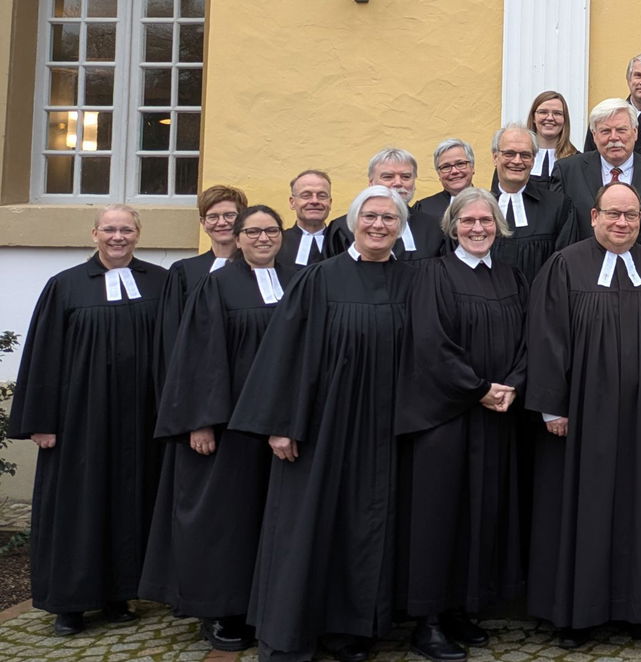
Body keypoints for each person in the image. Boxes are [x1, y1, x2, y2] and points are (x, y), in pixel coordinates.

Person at [231, 186, 418, 662]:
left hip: (385, 430)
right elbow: (287, 354)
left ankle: (353, 631)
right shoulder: (320, 279)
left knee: (367, 527)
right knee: (308, 525)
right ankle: (291, 632)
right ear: (354, 222)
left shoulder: (413, 280)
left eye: (389, 219)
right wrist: (282, 424)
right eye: (371, 217)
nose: (379, 226)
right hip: (322, 428)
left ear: (401, 227)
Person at [524, 182, 641, 649]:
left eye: (631, 215)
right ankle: (576, 615)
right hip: (584, 417)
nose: (622, 223)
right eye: (613, 214)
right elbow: (547, 340)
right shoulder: (564, 266)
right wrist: (552, 406)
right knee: (586, 507)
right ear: (593, 216)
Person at [9, 205, 167, 636]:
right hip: (81, 420)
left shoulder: (160, 281)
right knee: (77, 507)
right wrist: (42, 421)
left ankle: (119, 595)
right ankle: (70, 603)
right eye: (110, 229)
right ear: (94, 233)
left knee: (128, 503)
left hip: (140, 420)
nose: (119, 237)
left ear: (138, 235)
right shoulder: (64, 286)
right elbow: (43, 357)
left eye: (127, 230)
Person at [142, 205, 292, 652]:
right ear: (238, 238)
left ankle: (272, 606)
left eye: (270, 231)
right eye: (253, 232)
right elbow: (199, 356)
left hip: (282, 426)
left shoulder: (301, 280)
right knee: (227, 520)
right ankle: (223, 610)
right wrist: (201, 421)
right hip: (230, 428)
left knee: (273, 519)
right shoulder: (216, 284)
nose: (263, 239)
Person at [394, 187, 525, 661]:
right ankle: (427, 619)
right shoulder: (432, 275)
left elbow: (530, 337)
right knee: (438, 516)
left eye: (486, 222)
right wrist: (479, 388)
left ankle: (462, 609)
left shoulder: (510, 276)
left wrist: (513, 382)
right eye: (468, 222)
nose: (477, 229)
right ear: (452, 227)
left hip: (496, 420)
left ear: (499, 227)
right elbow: (432, 344)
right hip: (444, 419)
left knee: (481, 511)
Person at [551, 98, 641, 254]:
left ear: (635, 133)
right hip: (582, 269)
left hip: (640, 270)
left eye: (621, 130)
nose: (614, 137)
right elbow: (557, 233)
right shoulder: (567, 171)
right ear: (594, 135)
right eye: (605, 131)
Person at [160, 185, 250, 367]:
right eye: (213, 217)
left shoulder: (255, 269)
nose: (221, 222)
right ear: (203, 223)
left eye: (229, 215)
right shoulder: (183, 271)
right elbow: (172, 332)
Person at [489, 122, 579, 281]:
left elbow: (565, 266)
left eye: (525, 155)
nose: (517, 161)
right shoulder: (478, 209)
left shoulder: (558, 207)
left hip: (540, 302)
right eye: (509, 153)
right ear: (495, 157)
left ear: (533, 160)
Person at [325, 148, 449, 261]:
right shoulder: (343, 228)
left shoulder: (434, 227)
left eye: (406, 177)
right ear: (371, 183)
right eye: (388, 177)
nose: (398, 183)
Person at [279, 169, 334, 270]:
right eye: (306, 195)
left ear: (330, 203)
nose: (314, 201)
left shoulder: (341, 242)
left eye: (322, 196)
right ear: (292, 202)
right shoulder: (278, 242)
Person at [413, 138, 477, 222]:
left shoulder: (492, 202)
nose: (454, 171)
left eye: (460, 164)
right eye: (446, 167)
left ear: (472, 167)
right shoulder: (423, 209)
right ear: (438, 173)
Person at [526, 90, 579, 188]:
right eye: (543, 112)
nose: (550, 118)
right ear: (533, 117)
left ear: (564, 120)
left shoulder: (577, 162)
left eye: (557, 113)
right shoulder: (517, 159)